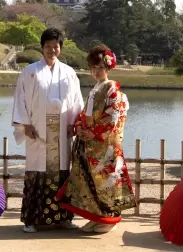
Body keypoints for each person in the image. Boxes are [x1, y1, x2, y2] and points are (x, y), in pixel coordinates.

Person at [55, 44, 137, 233]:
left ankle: (109, 219)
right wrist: (79, 128)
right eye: (93, 68)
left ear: (108, 68)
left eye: (101, 67)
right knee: (90, 182)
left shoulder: (113, 92)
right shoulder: (95, 89)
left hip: (104, 147)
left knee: (106, 182)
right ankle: (95, 217)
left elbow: (114, 116)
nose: (97, 71)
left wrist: (95, 132)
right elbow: (84, 115)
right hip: (90, 144)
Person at [11, 27, 84, 233]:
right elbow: (20, 99)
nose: (52, 50)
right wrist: (25, 125)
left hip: (61, 131)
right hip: (38, 130)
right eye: (48, 46)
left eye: (56, 46)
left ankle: (63, 218)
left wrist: (73, 124)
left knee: (61, 172)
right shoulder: (30, 72)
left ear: (61, 48)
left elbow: (76, 102)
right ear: (42, 48)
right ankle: (32, 220)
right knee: (37, 172)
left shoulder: (69, 73)